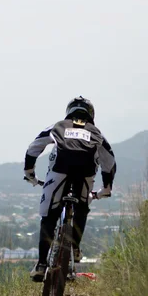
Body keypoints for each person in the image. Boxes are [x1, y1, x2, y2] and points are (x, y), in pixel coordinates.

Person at [24, 96, 116, 282]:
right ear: (91, 114)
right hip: (85, 174)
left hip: (59, 172)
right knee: (82, 207)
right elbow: (109, 162)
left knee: (49, 216)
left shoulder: (58, 126)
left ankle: (42, 264)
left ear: (69, 111)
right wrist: (105, 188)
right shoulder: (96, 132)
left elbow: (33, 148)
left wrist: (30, 173)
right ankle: (74, 248)